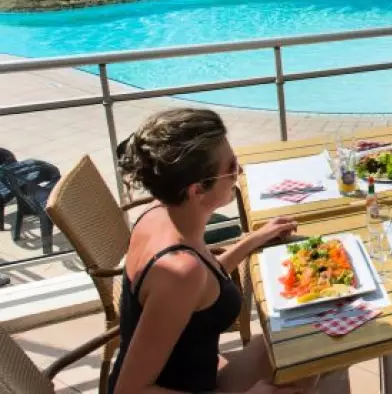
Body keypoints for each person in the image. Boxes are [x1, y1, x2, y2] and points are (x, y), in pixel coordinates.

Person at [109, 108, 333, 394]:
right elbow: (129, 391)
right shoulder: (179, 270)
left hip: (200, 377)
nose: (239, 172)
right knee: (311, 357)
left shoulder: (160, 213)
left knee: (312, 343)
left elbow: (203, 282)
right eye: (231, 166)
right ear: (197, 190)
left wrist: (253, 240)